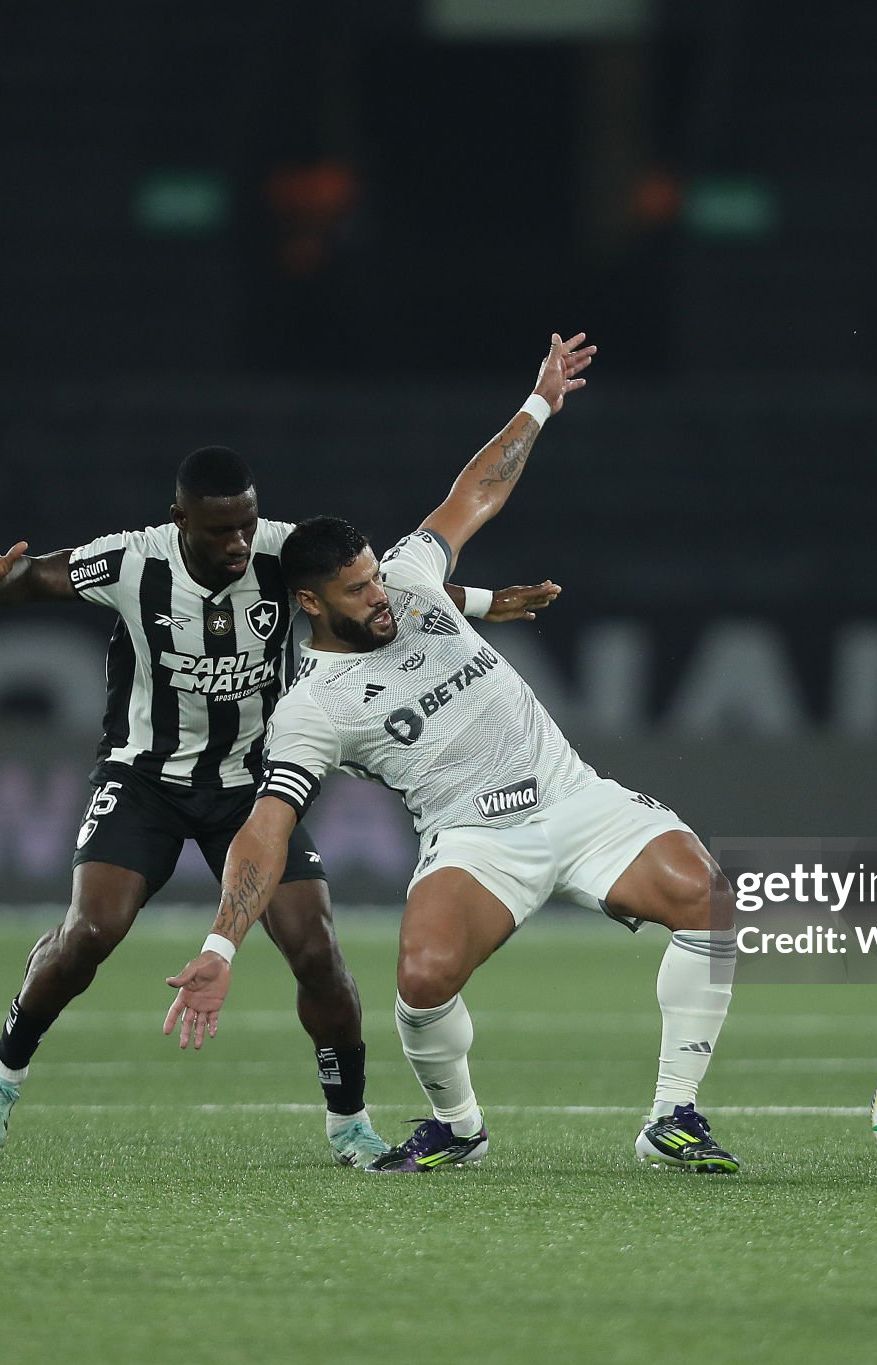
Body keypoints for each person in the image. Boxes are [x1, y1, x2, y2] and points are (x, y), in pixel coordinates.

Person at [163, 334, 743, 1175]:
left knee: (710, 902)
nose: (381, 595)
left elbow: (475, 492)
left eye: (376, 574)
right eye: (358, 590)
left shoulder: (411, 579)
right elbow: (265, 829)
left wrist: (540, 400)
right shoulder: (311, 709)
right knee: (424, 975)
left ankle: (673, 1115)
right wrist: (220, 950)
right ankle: (458, 1126)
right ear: (310, 602)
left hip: (575, 800)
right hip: (476, 839)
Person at [0, 448, 561, 1168]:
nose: (238, 543)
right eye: (220, 530)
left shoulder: (279, 552)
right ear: (180, 521)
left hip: (254, 786)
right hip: (145, 777)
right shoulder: (133, 562)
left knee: (318, 953)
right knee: (93, 928)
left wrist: (481, 602)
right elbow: (26, 578)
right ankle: (2, 1072)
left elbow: (375, 585)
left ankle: (349, 1123)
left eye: (246, 524)